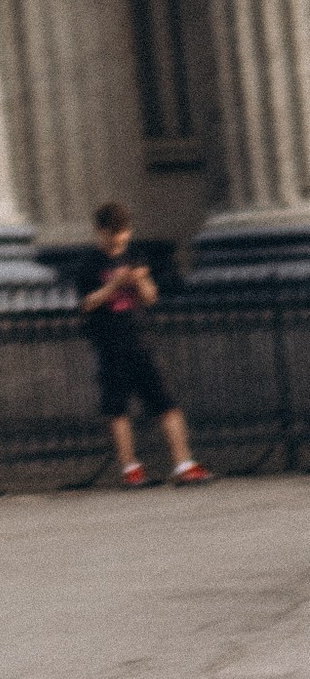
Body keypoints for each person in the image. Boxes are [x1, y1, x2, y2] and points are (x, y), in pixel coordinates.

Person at [82, 202, 210, 486]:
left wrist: (140, 282)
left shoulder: (134, 256)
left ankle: (183, 463)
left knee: (166, 402)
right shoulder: (89, 264)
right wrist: (113, 286)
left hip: (141, 340)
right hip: (110, 344)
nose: (119, 241)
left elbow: (151, 298)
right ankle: (130, 468)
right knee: (118, 408)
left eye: (123, 234)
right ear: (100, 232)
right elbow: (87, 303)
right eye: (113, 235)